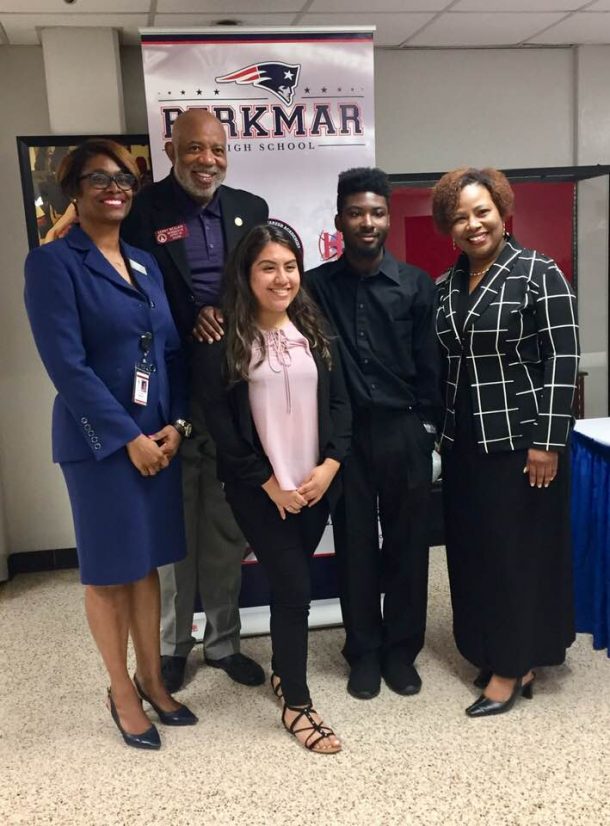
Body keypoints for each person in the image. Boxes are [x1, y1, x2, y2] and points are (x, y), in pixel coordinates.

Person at [24, 139, 197, 749]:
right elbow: (67, 366)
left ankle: (153, 678)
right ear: (74, 190)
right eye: (98, 178)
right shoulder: (53, 263)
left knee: (146, 563)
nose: (114, 187)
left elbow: (171, 351)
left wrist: (176, 424)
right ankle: (121, 690)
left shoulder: (145, 262)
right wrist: (127, 439)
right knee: (107, 573)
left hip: (158, 438)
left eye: (123, 177)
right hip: (99, 444)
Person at [120, 110, 269, 692]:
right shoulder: (142, 213)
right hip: (168, 394)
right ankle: (173, 646)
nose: (207, 160)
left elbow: (264, 287)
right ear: (171, 149)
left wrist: (230, 315)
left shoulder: (250, 209)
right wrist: (192, 317)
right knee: (178, 525)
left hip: (235, 390)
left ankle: (225, 642)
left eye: (216, 149)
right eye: (194, 149)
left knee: (227, 526)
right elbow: (133, 299)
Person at [192, 223, 351, 753]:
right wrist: (271, 485)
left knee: (292, 584)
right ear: (246, 273)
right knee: (294, 589)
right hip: (260, 491)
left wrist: (329, 466)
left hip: (314, 486)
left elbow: (340, 406)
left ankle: (284, 671)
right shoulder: (225, 343)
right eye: (268, 267)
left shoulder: (315, 330)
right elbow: (224, 430)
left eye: (290, 266)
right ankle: (298, 704)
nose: (281, 278)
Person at [431, 167, 580, 717]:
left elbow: (563, 362)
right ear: (449, 226)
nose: (473, 225)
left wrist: (548, 440)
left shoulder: (538, 272)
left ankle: (512, 667)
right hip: (462, 441)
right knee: (475, 553)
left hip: (520, 444)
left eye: (482, 211)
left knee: (516, 556)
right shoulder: (445, 286)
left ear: (502, 211)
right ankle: (494, 646)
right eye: (461, 216)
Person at [305, 168, 441, 701]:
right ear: (339, 220)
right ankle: (362, 651)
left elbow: (431, 364)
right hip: (345, 441)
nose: (368, 221)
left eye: (377, 212)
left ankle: (400, 652)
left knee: (409, 546)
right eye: (357, 212)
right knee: (356, 548)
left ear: (387, 218)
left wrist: (427, 430)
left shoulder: (415, 285)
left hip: (404, 429)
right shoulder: (314, 286)